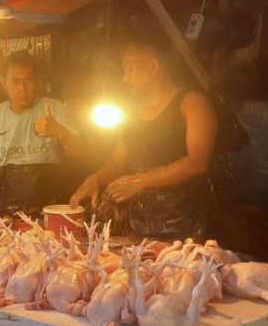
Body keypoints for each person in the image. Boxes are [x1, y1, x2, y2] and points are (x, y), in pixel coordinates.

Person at [69, 32, 218, 239]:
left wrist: (142, 181)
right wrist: (97, 178)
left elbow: (197, 162)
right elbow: (118, 160)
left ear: (153, 67)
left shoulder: (191, 103)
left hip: (181, 221)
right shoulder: (132, 112)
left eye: (130, 69)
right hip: (138, 220)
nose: (125, 78)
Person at [0, 51, 77, 219]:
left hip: (51, 204)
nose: (22, 88)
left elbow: (80, 153)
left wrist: (59, 131)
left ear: (36, 82)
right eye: (15, 81)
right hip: (8, 208)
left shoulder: (55, 108)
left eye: (28, 80)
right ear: (4, 83)